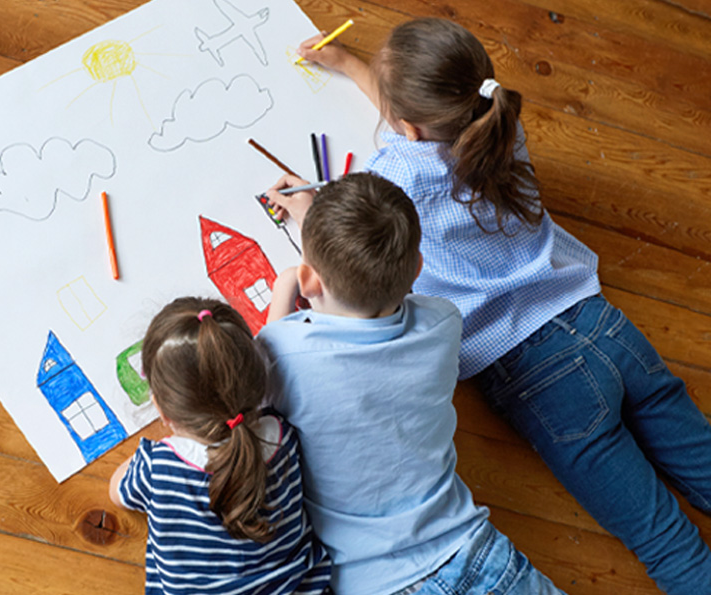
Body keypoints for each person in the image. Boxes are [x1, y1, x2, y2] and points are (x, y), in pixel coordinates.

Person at [271, 17, 711, 594]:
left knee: (665, 541)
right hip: (601, 323)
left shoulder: (397, 175)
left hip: (537, 375)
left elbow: (361, 227)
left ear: (403, 125)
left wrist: (309, 215)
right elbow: (431, 119)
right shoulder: (500, 124)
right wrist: (355, 66)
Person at [259, 172, 565, 595]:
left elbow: (257, 369)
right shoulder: (442, 321)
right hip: (475, 552)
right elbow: (376, 288)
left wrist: (284, 287)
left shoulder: (281, 353)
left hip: (379, 584)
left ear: (309, 280)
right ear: (418, 268)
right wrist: (331, 239)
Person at [109, 297, 332, 595]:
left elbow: (116, 491)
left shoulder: (158, 467)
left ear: (161, 410)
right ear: (259, 382)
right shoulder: (284, 438)